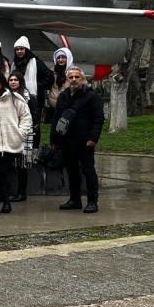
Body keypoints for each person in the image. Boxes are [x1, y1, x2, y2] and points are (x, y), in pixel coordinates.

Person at [51, 67, 105, 214]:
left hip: (84, 140)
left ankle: (92, 201)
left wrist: (93, 138)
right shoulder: (63, 96)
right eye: (71, 77)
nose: (74, 80)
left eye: (77, 77)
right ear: (67, 80)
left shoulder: (91, 96)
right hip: (66, 140)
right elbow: (57, 117)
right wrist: (54, 139)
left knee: (88, 171)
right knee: (72, 171)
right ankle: (75, 200)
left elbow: (98, 119)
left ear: (83, 79)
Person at [0, 72, 32, 215]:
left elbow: (26, 117)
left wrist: (20, 133)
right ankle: (7, 203)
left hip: (12, 142)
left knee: (1, 172)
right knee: (0, 172)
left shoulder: (15, 98)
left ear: (2, 81)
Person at [7, 71, 41, 203]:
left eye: (16, 80)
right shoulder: (5, 96)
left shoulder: (30, 97)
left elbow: (35, 115)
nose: (13, 82)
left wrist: (22, 126)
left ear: (20, 82)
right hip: (8, 134)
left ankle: (22, 192)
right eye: (11, 80)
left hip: (24, 135)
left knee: (22, 165)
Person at [12, 36, 56, 115]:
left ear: (27, 50)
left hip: (35, 98)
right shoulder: (14, 64)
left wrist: (36, 85)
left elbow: (49, 77)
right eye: (17, 49)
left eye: (22, 49)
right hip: (17, 97)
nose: (19, 51)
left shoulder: (37, 63)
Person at [45, 47, 74, 123]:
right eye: (58, 58)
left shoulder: (74, 71)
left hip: (68, 105)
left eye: (63, 57)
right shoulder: (52, 71)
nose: (60, 60)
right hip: (54, 105)